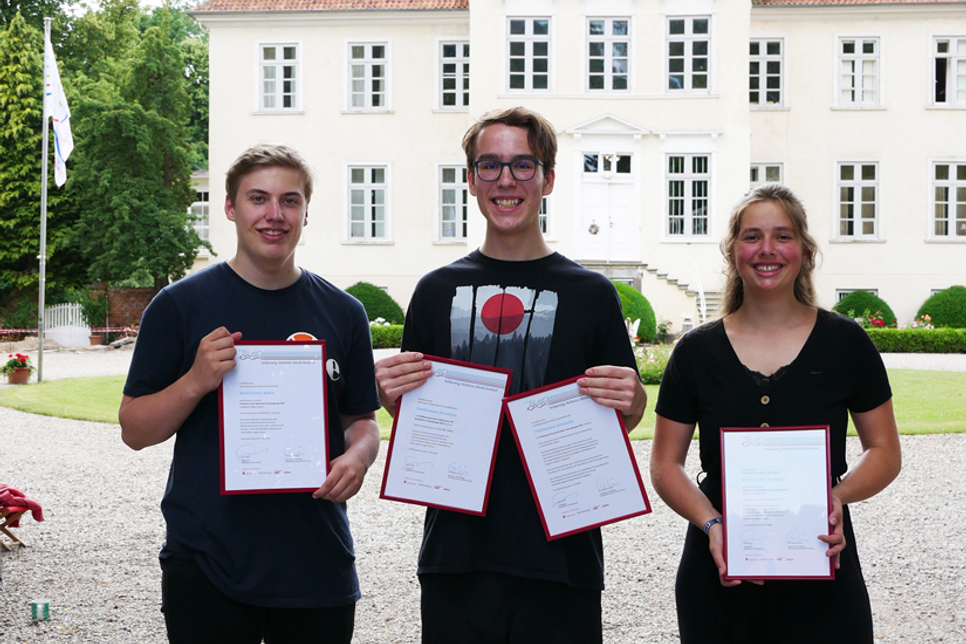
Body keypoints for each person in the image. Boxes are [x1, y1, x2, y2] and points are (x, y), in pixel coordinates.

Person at [375, 106, 648, 643]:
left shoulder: (591, 294)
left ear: (548, 179)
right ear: (471, 182)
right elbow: (416, 415)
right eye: (490, 165)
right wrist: (391, 396)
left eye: (524, 165)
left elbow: (626, 412)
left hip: (561, 555)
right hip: (457, 553)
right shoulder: (435, 291)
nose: (506, 180)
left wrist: (633, 398)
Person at [119, 144, 381, 644]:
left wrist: (360, 458)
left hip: (316, 560)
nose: (274, 215)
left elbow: (362, 421)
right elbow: (134, 430)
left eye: (290, 200)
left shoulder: (344, 312)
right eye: (258, 198)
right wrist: (196, 380)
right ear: (230, 207)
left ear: (306, 211)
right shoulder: (179, 306)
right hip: (208, 561)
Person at [650, 183, 902, 643]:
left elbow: (884, 450)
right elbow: (665, 465)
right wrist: (711, 523)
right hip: (718, 567)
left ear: (805, 251)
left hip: (823, 556)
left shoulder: (846, 343)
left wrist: (837, 499)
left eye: (782, 236)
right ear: (732, 252)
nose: (767, 249)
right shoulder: (694, 352)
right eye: (752, 237)